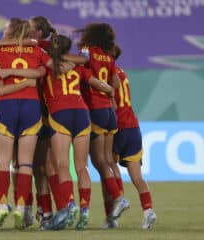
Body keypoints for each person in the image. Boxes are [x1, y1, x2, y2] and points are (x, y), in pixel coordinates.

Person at [0, 18, 50, 230]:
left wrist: (0, 46)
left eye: (5, 29)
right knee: (25, 163)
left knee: (3, 162)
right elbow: (49, 67)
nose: (2, 32)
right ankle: (22, 208)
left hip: (7, 107)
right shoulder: (36, 50)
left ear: (11, 31)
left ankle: (2, 205)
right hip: (31, 106)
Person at [42, 34, 115, 230]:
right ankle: (84, 209)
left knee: (62, 164)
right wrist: (110, 90)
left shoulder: (47, 68)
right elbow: (98, 84)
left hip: (59, 114)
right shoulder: (79, 68)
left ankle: (70, 203)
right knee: (82, 167)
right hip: (82, 114)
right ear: (69, 49)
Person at [77, 23, 130, 224]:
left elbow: (80, 63)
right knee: (109, 161)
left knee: (99, 162)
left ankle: (118, 198)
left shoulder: (87, 52)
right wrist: (107, 89)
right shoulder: (108, 57)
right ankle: (112, 217)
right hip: (109, 110)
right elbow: (115, 83)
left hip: (95, 110)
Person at [110, 45, 157, 229]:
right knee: (137, 176)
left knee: (108, 163)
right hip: (133, 126)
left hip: (117, 126)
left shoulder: (109, 73)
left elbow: (112, 101)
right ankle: (148, 210)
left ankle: (119, 199)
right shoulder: (122, 72)